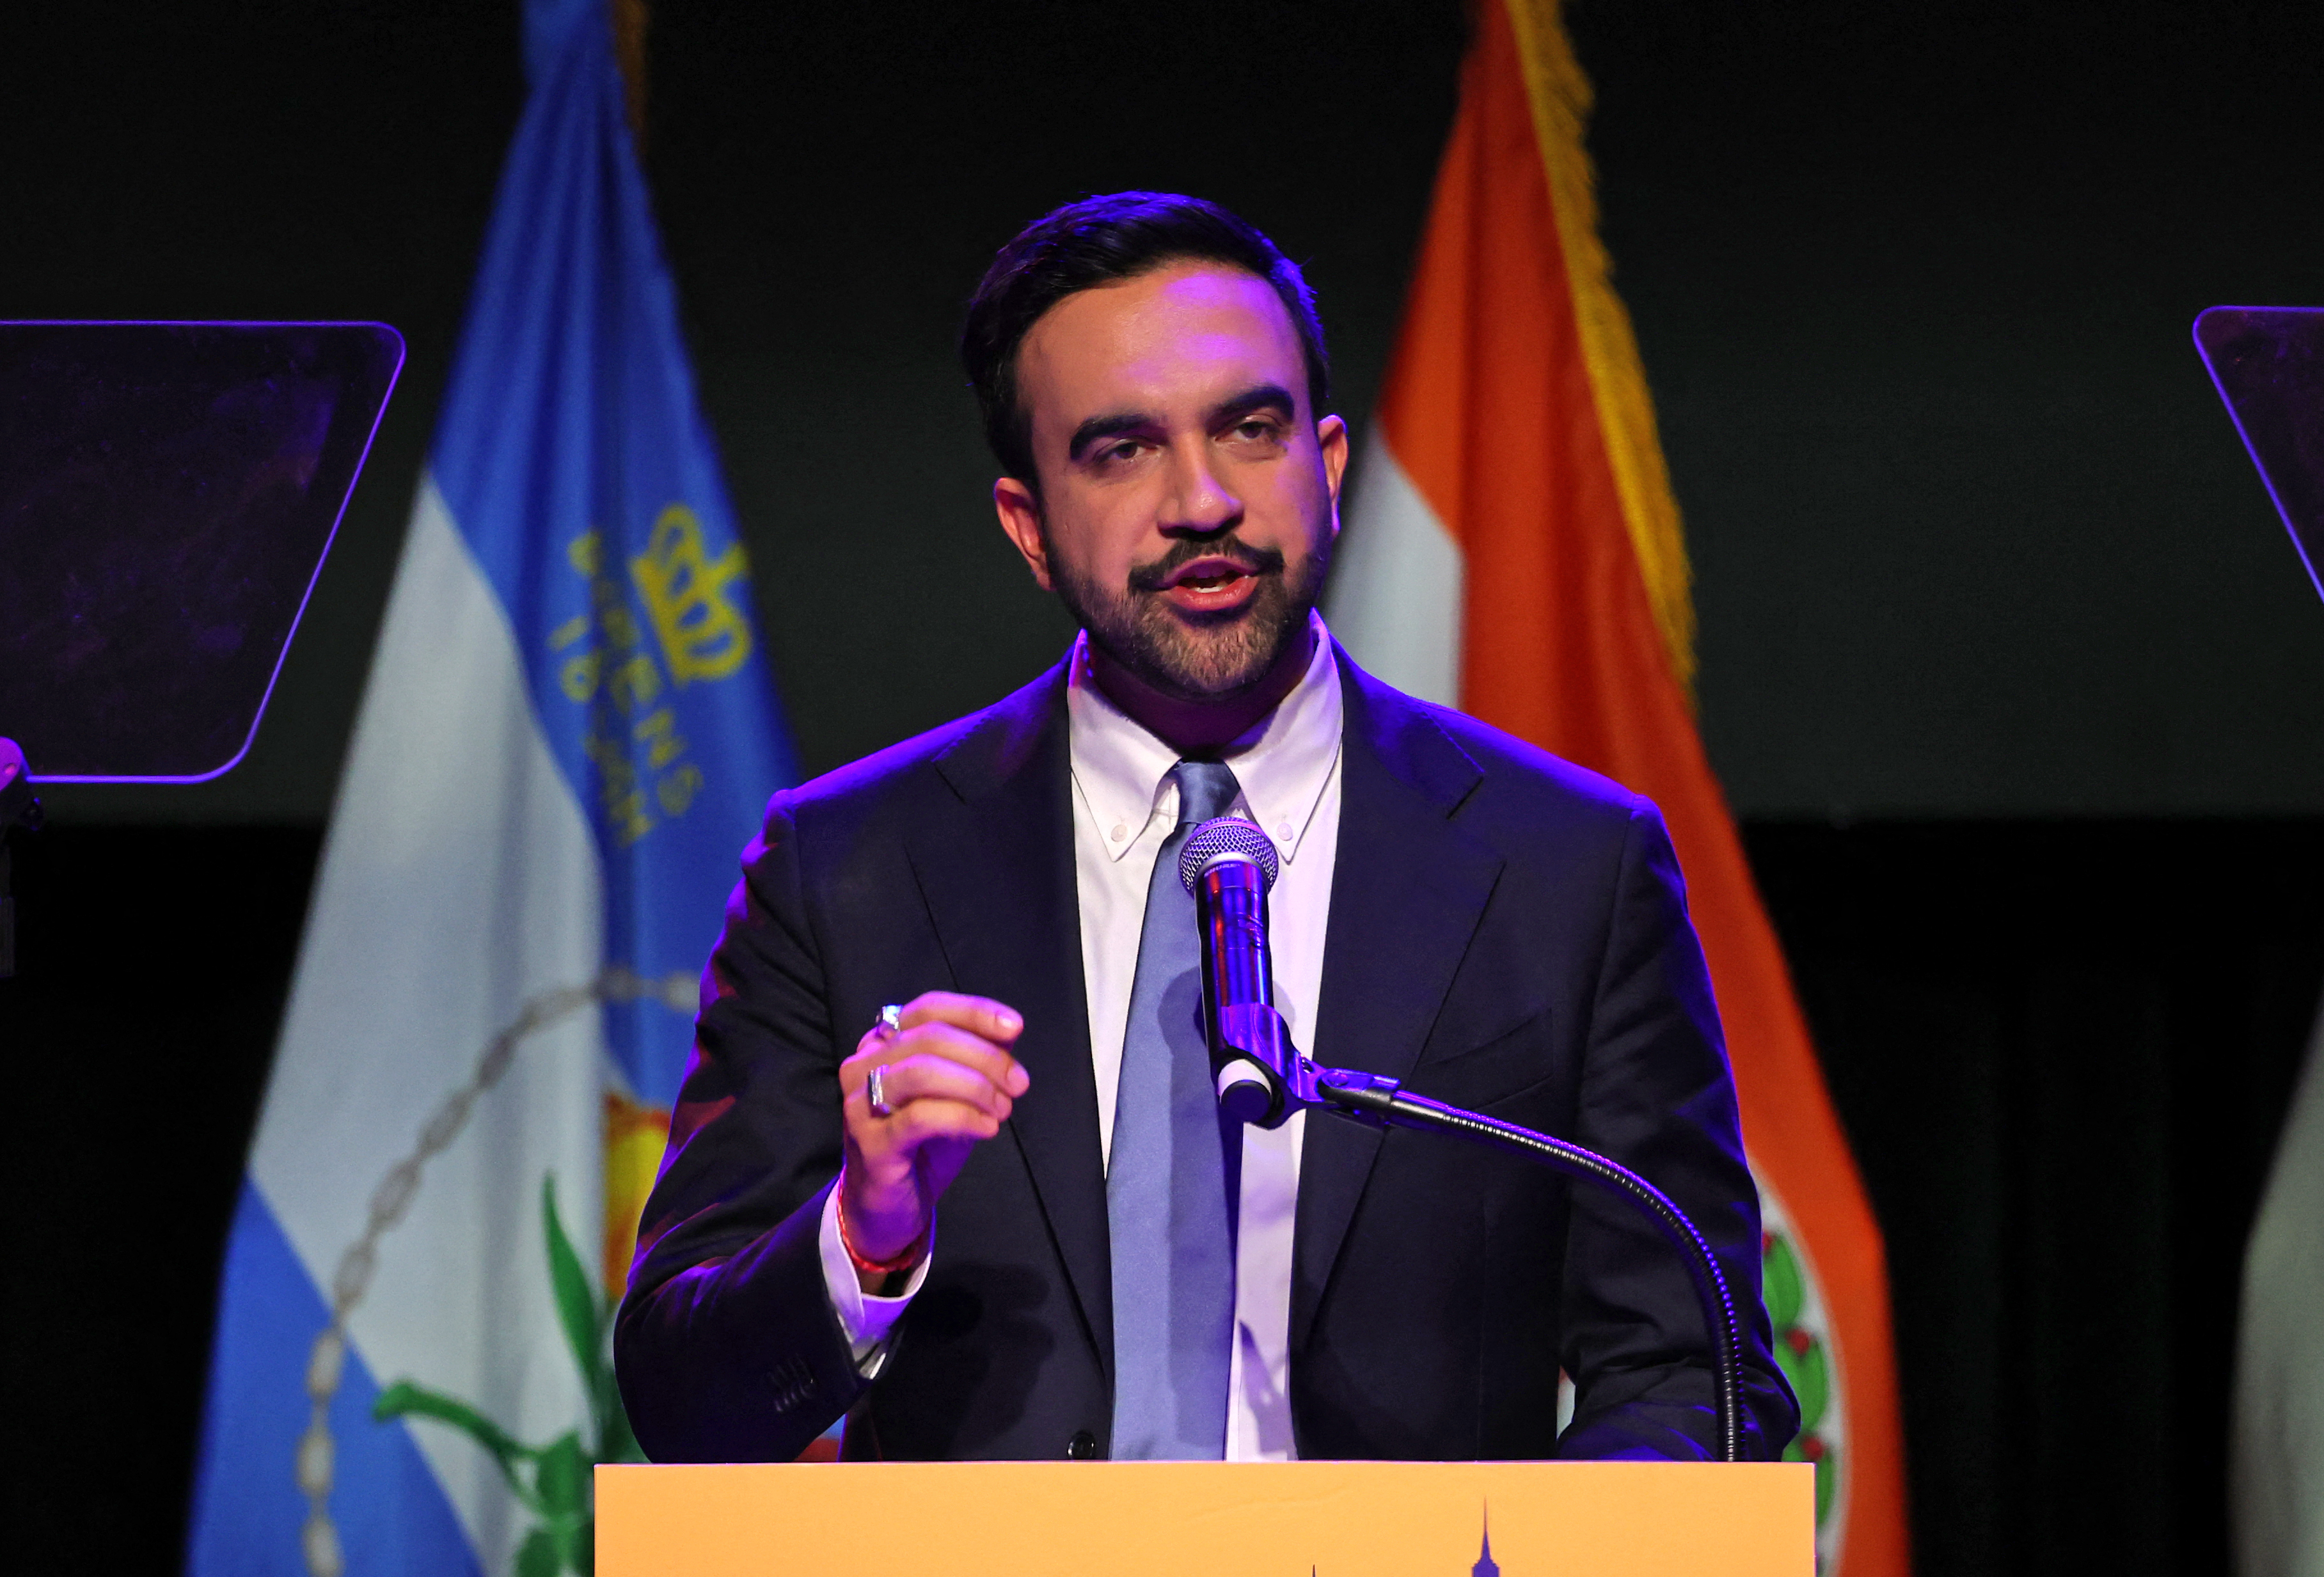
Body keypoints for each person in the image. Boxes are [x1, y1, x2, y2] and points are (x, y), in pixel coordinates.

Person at [615, 191, 1797, 1466]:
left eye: (1247, 428)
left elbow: (1694, 1372)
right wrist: (866, 1232)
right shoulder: (847, 871)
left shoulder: (1567, 867)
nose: (1200, 500)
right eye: (1121, 450)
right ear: (1028, 526)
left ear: (1326, 464)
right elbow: (684, 1406)